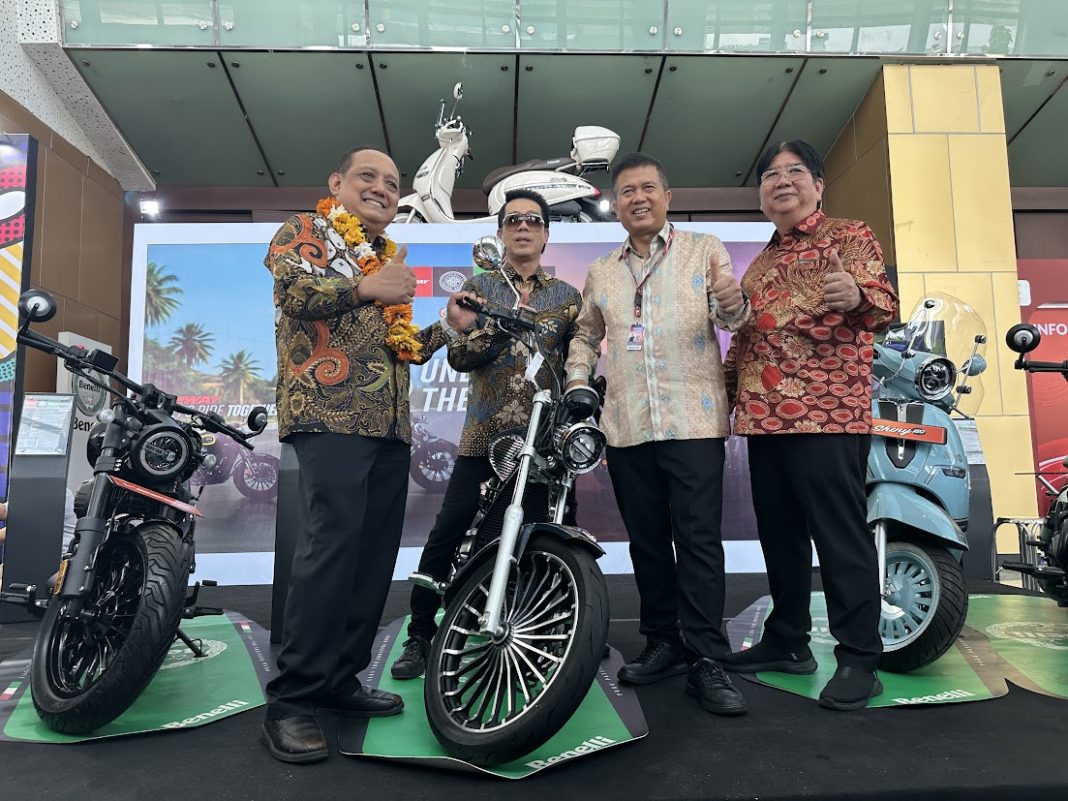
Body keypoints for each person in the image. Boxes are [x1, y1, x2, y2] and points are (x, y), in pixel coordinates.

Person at [261, 146, 476, 764]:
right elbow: (294, 291)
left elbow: (402, 348)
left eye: (392, 182)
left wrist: (447, 326)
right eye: (367, 177)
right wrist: (363, 286)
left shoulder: (384, 255)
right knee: (330, 551)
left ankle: (341, 679)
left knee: (373, 557)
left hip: (389, 427)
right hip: (329, 417)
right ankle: (293, 700)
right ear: (337, 183)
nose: (382, 188)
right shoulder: (305, 229)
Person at [564, 152, 751, 717]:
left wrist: (733, 302)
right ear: (615, 205)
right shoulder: (602, 270)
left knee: (698, 541)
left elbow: (731, 317)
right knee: (647, 542)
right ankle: (663, 641)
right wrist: (578, 381)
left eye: (648, 188)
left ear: (667, 197)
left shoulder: (704, 249)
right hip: (627, 425)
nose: (638, 198)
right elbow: (584, 335)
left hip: (693, 421)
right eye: (626, 191)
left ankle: (707, 657)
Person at [722, 140, 898, 711]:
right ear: (761, 195)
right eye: (770, 175)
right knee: (781, 539)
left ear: (819, 185)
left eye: (795, 171)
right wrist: (722, 397)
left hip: (827, 417)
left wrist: (857, 294)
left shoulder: (849, 236)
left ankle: (860, 659)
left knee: (840, 539)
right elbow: (746, 343)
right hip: (763, 422)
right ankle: (787, 641)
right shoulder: (761, 263)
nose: (782, 181)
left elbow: (884, 305)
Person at [391, 188, 582, 680]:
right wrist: (502, 323)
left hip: (543, 443)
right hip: (483, 436)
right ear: (500, 232)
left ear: (546, 234)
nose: (523, 227)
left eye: (533, 220)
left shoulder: (568, 297)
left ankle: (555, 630)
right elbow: (458, 357)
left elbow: (575, 364)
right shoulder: (479, 288)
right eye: (513, 220)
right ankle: (420, 634)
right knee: (449, 531)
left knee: (547, 534)